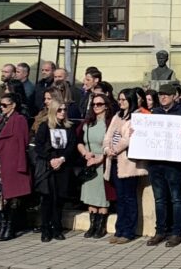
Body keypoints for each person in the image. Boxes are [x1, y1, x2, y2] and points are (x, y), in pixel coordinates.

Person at [141, 82, 181, 247]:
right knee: (160, 199)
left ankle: (176, 233)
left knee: (176, 198)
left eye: (166, 95)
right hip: (156, 163)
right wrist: (138, 133)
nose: (162, 97)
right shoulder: (153, 113)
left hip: (174, 164)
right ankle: (160, 231)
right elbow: (146, 135)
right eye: (160, 95)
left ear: (173, 96)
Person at [0, 88, 32, 241]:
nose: (2, 108)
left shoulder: (19, 119)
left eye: (5, 105)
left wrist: (20, 165)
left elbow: (22, 142)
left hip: (12, 163)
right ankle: (3, 225)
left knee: (12, 198)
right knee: (0, 197)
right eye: (1, 105)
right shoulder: (1, 119)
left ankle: (10, 228)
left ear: (14, 105)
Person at [26, 97, 76, 239]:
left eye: (65, 109)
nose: (62, 112)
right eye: (59, 109)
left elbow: (71, 145)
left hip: (63, 166)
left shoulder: (69, 127)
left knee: (59, 199)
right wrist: (51, 159)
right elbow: (39, 146)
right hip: (48, 167)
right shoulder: (45, 126)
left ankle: (57, 228)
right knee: (47, 199)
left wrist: (61, 159)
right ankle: (45, 228)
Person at [103, 89, 146, 244]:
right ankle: (119, 229)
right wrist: (108, 149)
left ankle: (128, 231)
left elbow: (128, 138)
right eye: (119, 99)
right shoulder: (117, 116)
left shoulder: (137, 116)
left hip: (127, 164)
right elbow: (108, 135)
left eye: (123, 100)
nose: (120, 102)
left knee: (129, 197)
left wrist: (115, 149)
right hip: (113, 162)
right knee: (120, 198)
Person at [79, 90, 113, 239]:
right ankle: (92, 225)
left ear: (106, 106)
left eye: (99, 104)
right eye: (94, 104)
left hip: (103, 163)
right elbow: (78, 141)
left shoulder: (110, 123)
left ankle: (101, 226)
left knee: (102, 197)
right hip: (89, 163)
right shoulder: (87, 123)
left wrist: (100, 158)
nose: (96, 106)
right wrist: (85, 153)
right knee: (91, 197)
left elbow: (113, 144)